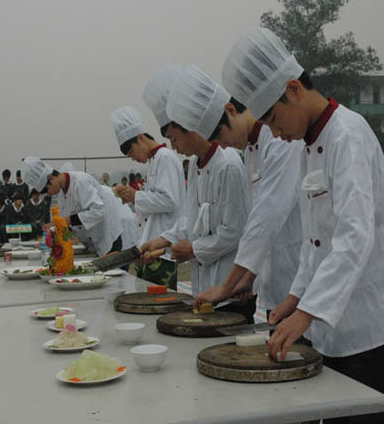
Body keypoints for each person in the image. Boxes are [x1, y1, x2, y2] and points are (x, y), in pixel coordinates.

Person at [222, 27, 384, 423]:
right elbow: (315, 243)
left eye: (274, 119)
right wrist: (294, 298)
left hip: (369, 321)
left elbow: (353, 238)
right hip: (335, 320)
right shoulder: (309, 146)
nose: (276, 132)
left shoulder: (348, 136)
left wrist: (307, 313)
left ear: (293, 89)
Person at [140, 65, 254, 322]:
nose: (174, 147)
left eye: (174, 138)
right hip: (205, 290)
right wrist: (164, 239)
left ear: (190, 128)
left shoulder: (228, 164)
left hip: (230, 290)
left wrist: (194, 249)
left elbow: (235, 232)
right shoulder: (194, 165)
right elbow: (192, 221)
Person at [193, 92, 303, 322]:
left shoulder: (277, 140)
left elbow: (266, 217)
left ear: (231, 111)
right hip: (277, 284)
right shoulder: (250, 151)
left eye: (220, 135)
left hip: (298, 279)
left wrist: (227, 286)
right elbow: (257, 220)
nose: (222, 145)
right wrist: (248, 278)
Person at [111, 105, 185, 289]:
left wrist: (136, 196)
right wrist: (132, 199)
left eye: (132, 152)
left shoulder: (165, 158)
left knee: (157, 304)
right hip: (149, 249)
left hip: (161, 252)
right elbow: (153, 203)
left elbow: (170, 200)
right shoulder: (154, 161)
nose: (133, 158)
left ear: (140, 138)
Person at [21, 158, 125, 257]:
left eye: (46, 190)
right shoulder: (62, 192)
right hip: (94, 241)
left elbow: (99, 211)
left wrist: (68, 220)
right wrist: (53, 229)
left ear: (51, 178)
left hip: (109, 239)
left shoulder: (80, 181)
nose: (48, 194)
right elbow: (66, 221)